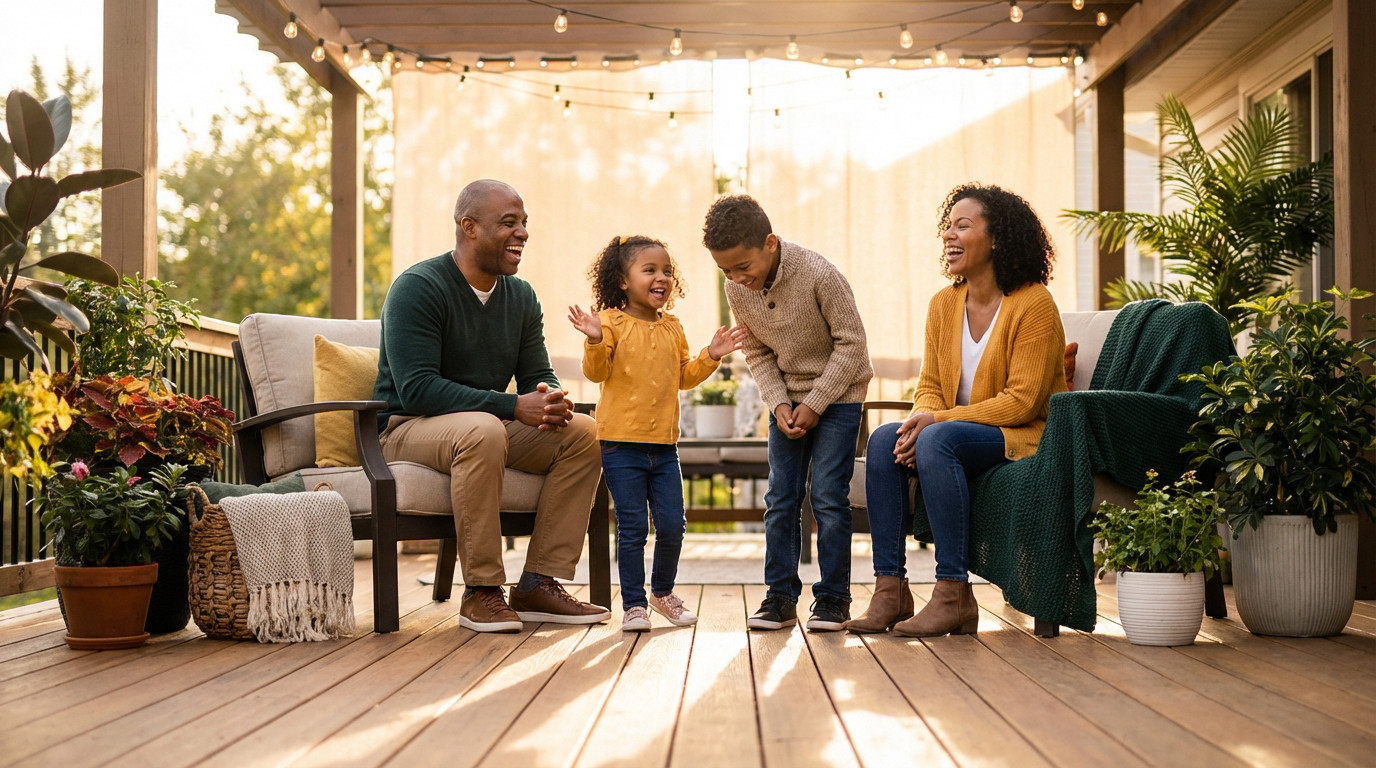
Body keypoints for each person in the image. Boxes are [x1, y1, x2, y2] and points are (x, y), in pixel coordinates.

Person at [374, 179, 610, 634]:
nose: (522, 232)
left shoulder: (520, 297)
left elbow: (536, 374)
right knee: (484, 429)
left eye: (524, 223)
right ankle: (481, 592)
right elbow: (418, 388)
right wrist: (511, 405)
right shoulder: (417, 287)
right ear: (469, 227)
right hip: (405, 428)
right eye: (508, 223)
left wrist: (550, 399)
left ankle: (539, 583)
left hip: (483, 425)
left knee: (584, 432)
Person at [845, 182, 1065, 637]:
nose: (949, 235)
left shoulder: (1034, 303)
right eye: (947, 227)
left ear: (998, 238)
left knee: (938, 438)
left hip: (1019, 434)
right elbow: (929, 387)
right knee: (887, 437)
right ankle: (891, 590)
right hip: (957, 433)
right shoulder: (943, 304)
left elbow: (1022, 402)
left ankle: (953, 594)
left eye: (963, 226)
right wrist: (918, 421)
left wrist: (935, 421)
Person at [702, 194, 873, 632]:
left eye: (743, 266)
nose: (738, 278)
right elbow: (756, 350)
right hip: (787, 401)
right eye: (727, 271)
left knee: (828, 498)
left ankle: (833, 599)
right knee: (780, 498)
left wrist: (815, 405)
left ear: (770, 243)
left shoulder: (819, 274)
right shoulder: (736, 287)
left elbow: (852, 345)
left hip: (839, 395)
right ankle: (779, 597)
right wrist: (779, 403)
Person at [569, 235, 747, 632]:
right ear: (622, 280)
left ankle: (661, 592)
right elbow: (595, 372)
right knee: (633, 527)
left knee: (672, 524)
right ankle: (634, 605)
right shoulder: (610, 323)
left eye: (667, 270)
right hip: (620, 445)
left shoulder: (673, 327)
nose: (661, 277)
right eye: (649, 270)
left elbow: (683, 377)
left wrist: (711, 355)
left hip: (665, 448)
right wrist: (595, 338)